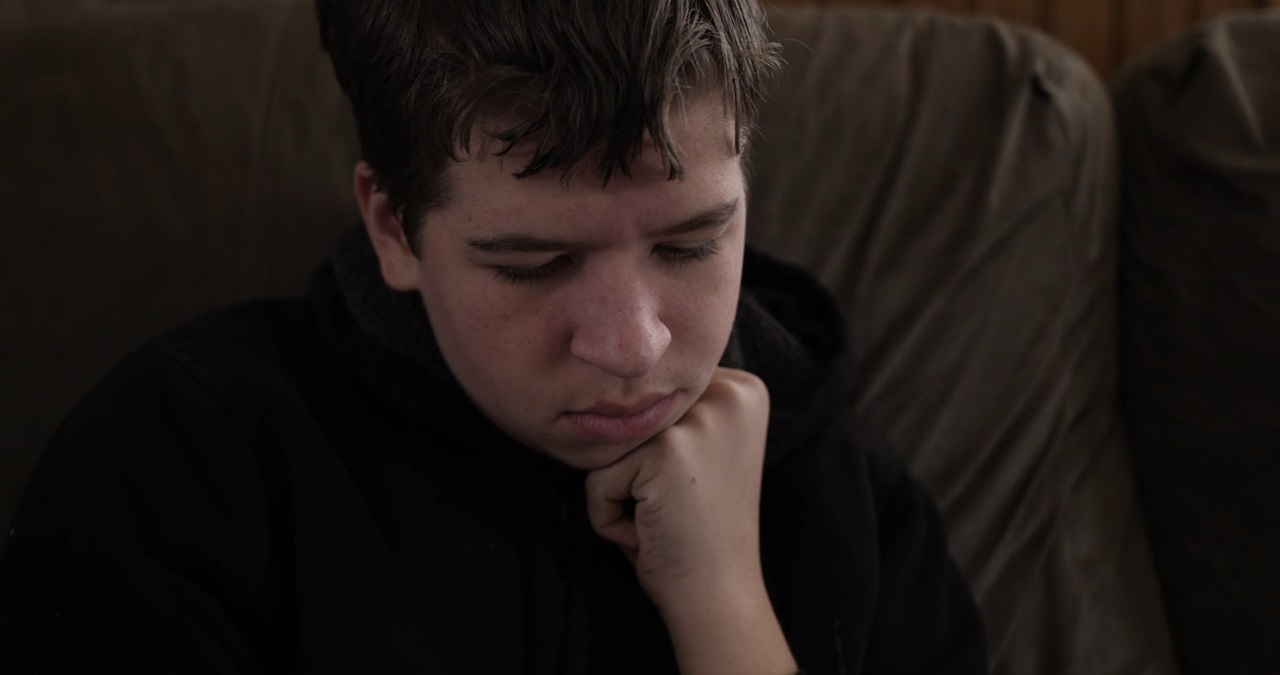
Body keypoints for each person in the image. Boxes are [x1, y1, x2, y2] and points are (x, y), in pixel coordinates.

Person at [0, 1, 987, 673]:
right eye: (534, 265)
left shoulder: (853, 500)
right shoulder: (180, 467)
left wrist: (722, 605)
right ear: (393, 227)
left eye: (691, 243)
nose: (633, 346)